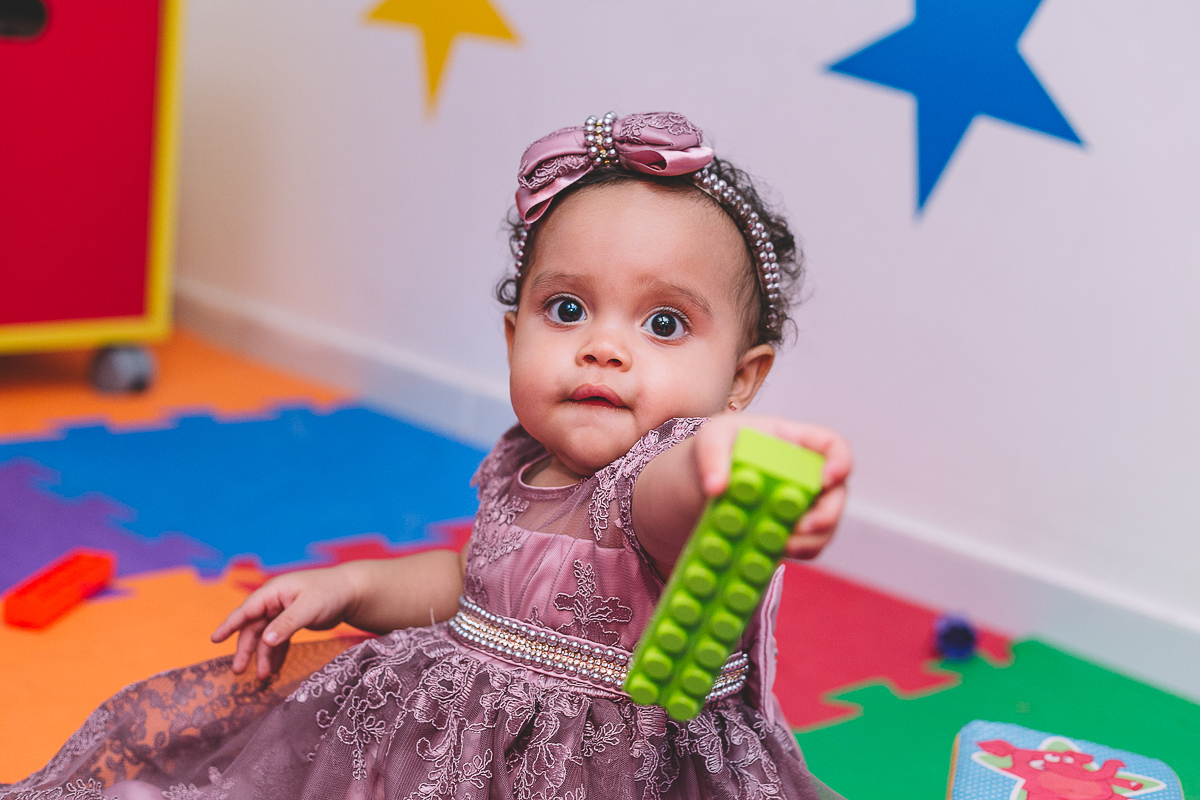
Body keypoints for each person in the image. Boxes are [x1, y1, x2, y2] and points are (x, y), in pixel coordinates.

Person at [3, 111, 853, 800]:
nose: (603, 347)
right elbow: (478, 582)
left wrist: (731, 463)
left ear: (743, 380)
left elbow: (674, 507)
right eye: (566, 309)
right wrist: (353, 586)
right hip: (445, 750)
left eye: (663, 324)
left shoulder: (660, 476)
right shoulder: (523, 461)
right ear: (512, 333)